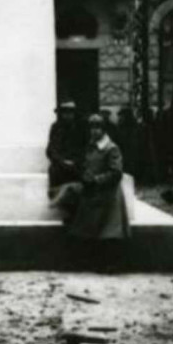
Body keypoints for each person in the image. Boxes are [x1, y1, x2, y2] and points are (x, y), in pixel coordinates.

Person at [51, 114, 130, 245]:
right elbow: (89, 164)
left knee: (106, 231)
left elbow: (116, 173)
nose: (94, 131)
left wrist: (96, 180)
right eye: (91, 128)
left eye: (98, 128)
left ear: (104, 130)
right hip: (93, 189)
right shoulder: (91, 145)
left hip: (107, 193)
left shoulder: (111, 148)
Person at [46, 101, 86, 195]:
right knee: (54, 171)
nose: (67, 115)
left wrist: (75, 161)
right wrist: (62, 161)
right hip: (60, 164)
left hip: (77, 163)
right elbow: (50, 149)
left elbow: (86, 148)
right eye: (65, 112)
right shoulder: (56, 128)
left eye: (70, 112)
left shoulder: (81, 128)